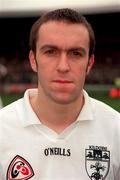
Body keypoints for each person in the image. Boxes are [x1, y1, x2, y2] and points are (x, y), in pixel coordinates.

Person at [0, 8, 120, 180]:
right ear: (33, 60)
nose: (63, 66)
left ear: (90, 63)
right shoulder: (2, 128)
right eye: (50, 52)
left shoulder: (116, 129)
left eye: (76, 53)